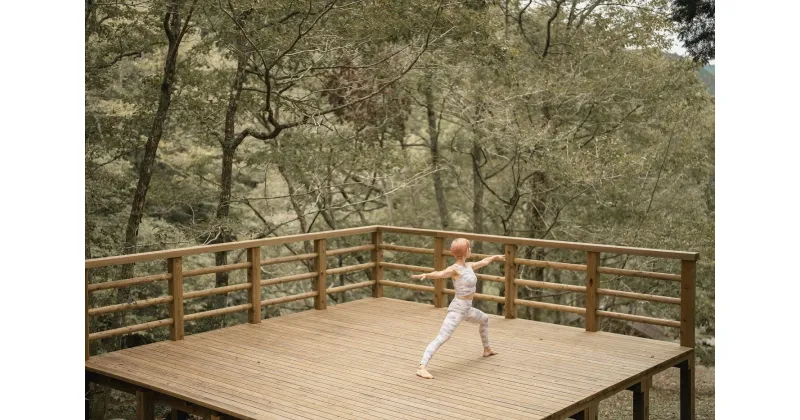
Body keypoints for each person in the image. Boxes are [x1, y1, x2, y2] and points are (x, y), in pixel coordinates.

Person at [412, 238, 505, 379]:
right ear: (465, 251)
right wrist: (427, 275)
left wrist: (495, 257)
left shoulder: (469, 266)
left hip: (467, 309)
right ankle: (422, 367)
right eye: (469, 248)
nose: (471, 250)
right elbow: (440, 273)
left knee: (484, 319)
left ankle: (487, 349)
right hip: (457, 310)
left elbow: (484, 262)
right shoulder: (454, 269)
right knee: (442, 337)